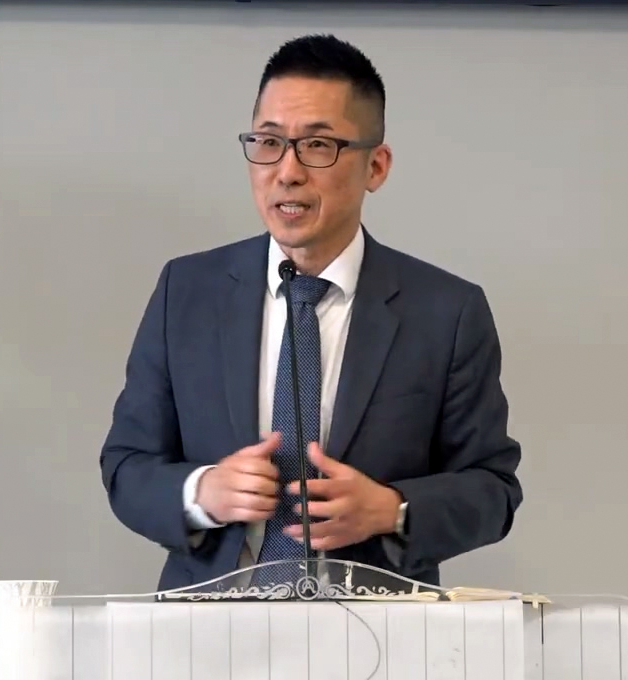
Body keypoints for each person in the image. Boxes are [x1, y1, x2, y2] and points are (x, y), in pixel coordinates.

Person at [99, 33, 523, 592]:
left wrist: (392, 509)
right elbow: (126, 465)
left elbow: (493, 489)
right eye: (269, 142)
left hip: (379, 627)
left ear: (376, 166)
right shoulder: (188, 291)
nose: (287, 171)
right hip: (209, 623)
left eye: (318, 146)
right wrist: (201, 493)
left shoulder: (446, 311)